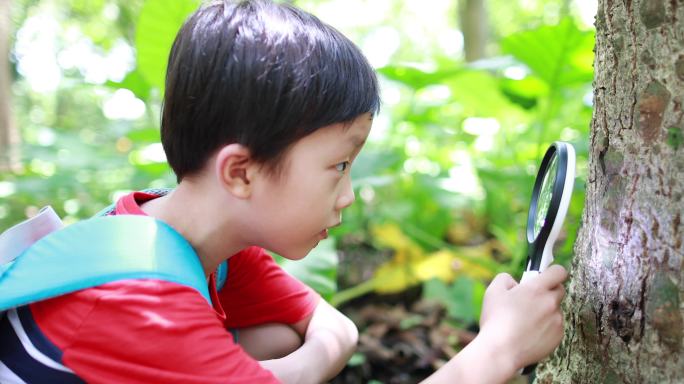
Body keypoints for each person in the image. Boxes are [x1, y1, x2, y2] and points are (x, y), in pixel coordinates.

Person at [0, 0, 567, 383]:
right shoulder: (144, 303)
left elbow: (338, 328)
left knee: (270, 335)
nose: (348, 196)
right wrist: (500, 349)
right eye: (338, 165)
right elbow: (330, 337)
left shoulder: (173, 234)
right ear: (241, 172)